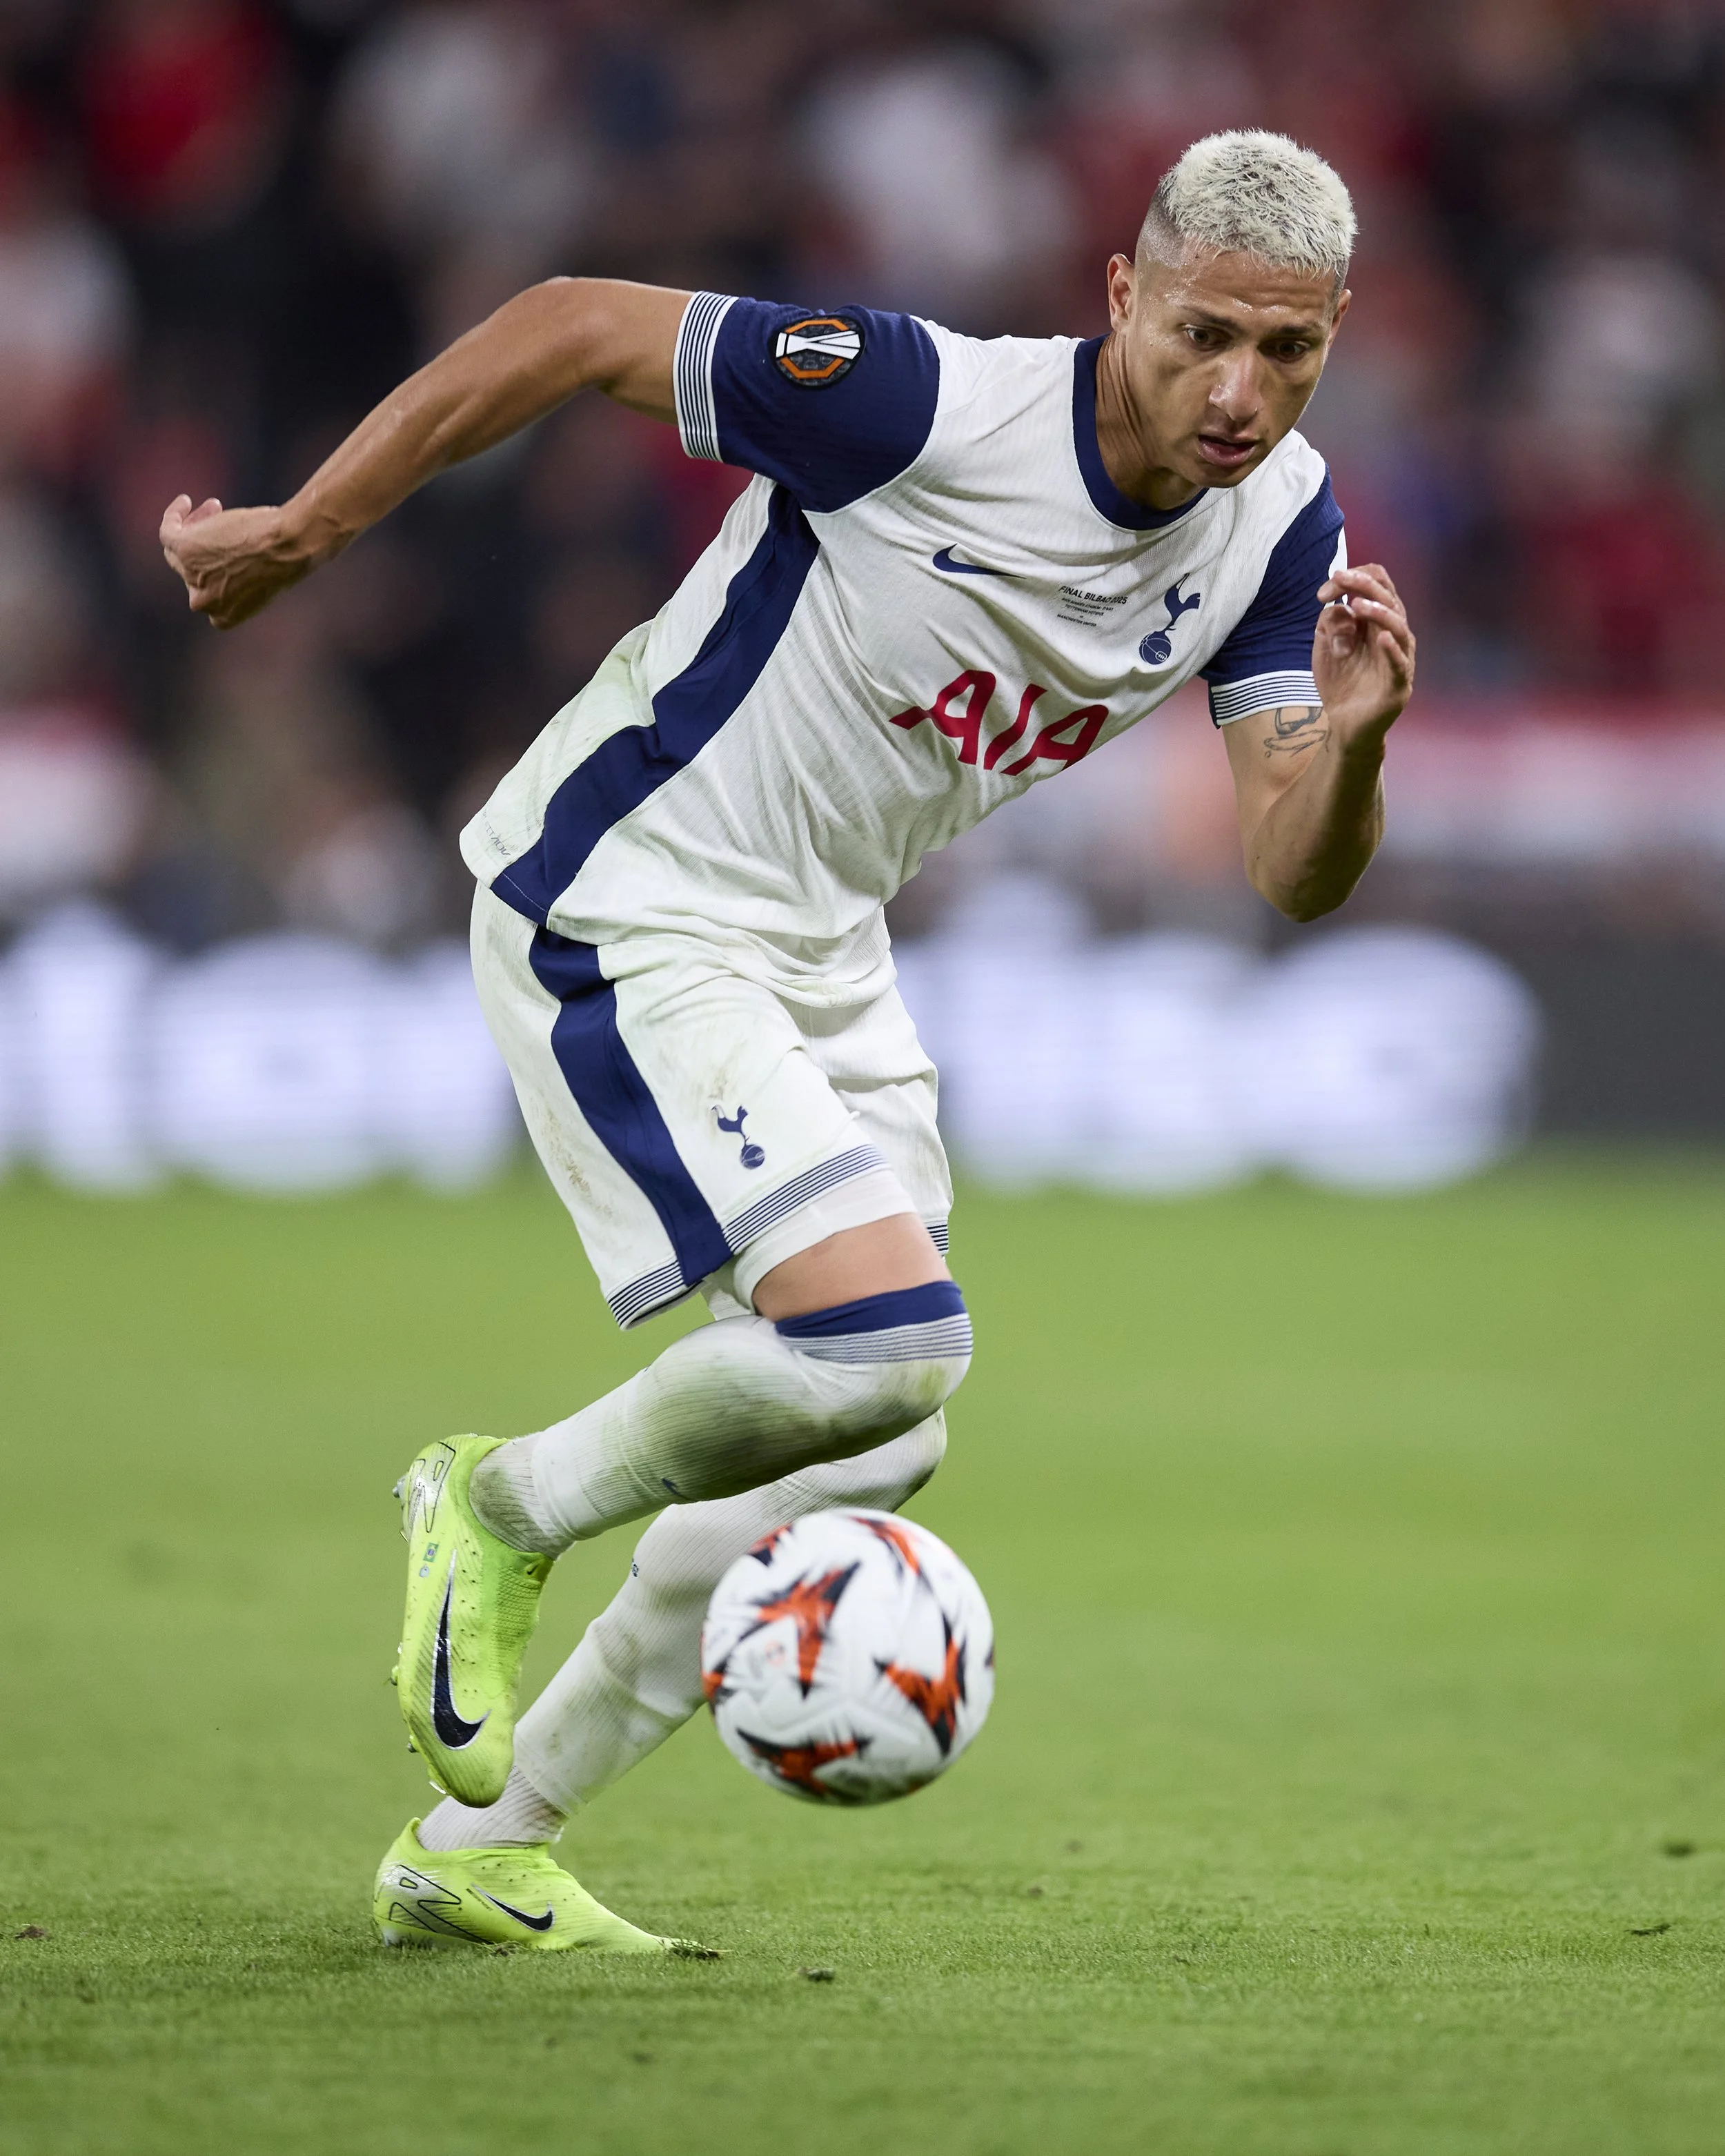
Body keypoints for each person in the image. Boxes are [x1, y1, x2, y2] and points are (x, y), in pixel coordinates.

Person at [160, 130, 1415, 1955]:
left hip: (820, 947)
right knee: (890, 1338)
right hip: (634, 885)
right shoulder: (915, 402)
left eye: (1284, 352)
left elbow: (1289, 866)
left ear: (1332, 339)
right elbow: (579, 324)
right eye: (1201, 333)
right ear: (1122, 296)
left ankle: (482, 1839)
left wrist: (1358, 741)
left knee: (865, 1437)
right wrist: (307, 531)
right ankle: (498, 1502)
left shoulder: (1281, 523)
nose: (1235, 391)